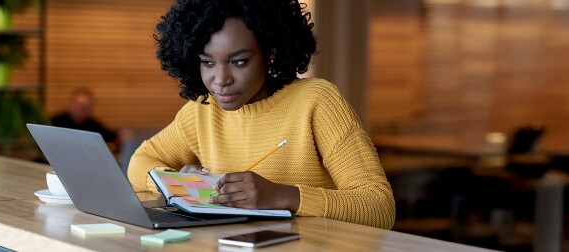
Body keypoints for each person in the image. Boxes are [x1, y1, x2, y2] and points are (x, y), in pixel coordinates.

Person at [127, 0, 395, 229]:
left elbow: (380, 207)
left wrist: (282, 196)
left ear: (271, 53)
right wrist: (172, 182)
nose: (220, 80)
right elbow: (139, 162)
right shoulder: (201, 111)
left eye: (239, 61)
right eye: (207, 62)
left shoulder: (316, 102)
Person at [51, 88, 116, 143]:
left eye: (86, 106)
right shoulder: (56, 122)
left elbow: (110, 138)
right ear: (71, 104)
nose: (81, 108)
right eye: (78, 104)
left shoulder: (95, 126)